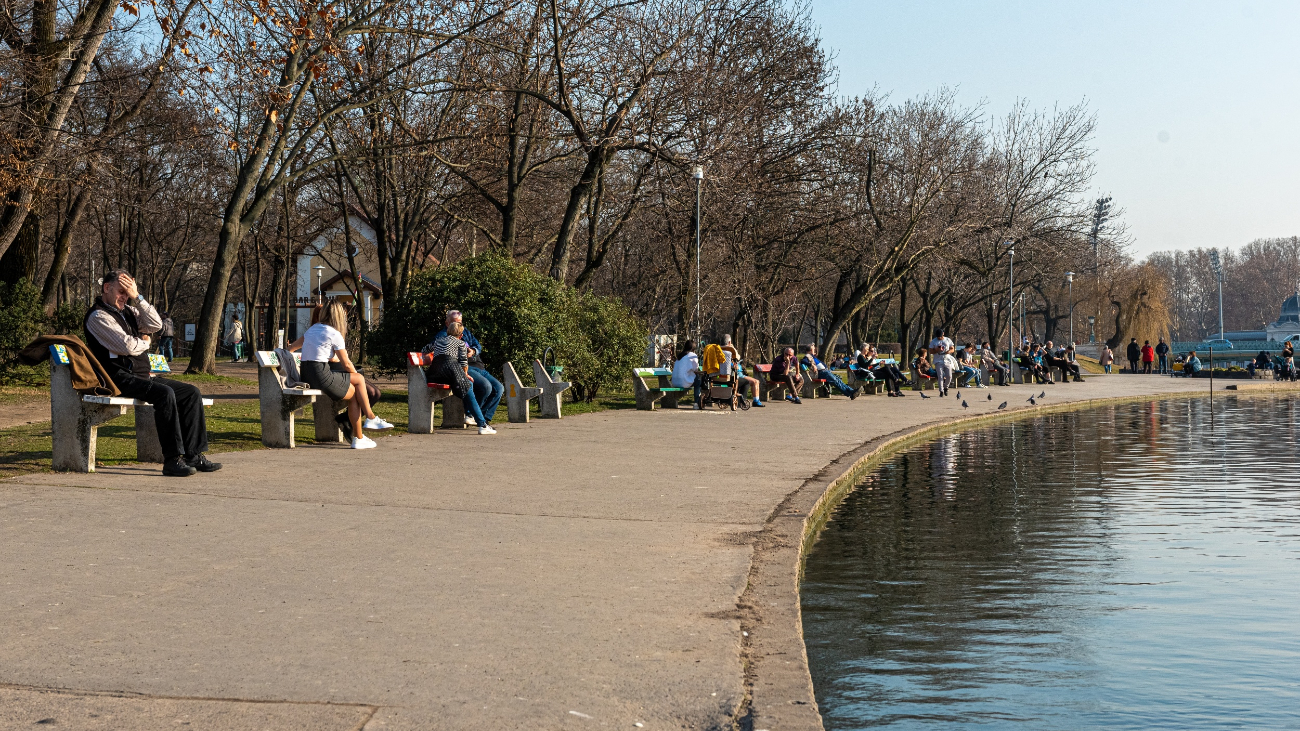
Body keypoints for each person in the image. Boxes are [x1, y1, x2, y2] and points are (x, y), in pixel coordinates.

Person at [84, 270, 220, 477]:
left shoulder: (128, 311)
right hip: (116, 379)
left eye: (127, 293)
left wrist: (138, 297)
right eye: (121, 291)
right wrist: (145, 342)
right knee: (164, 394)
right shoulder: (98, 316)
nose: (124, 297)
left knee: (191, 392)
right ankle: (172, 460)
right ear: (106, 288)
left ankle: (193, 455)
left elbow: (156, 325)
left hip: (141, 376)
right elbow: (126, 346)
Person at [301, 299, 394, 448]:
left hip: (307, 375)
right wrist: (354, 375)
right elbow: (347, 363)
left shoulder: (312, 329)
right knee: (358, 379)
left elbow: (299, 348)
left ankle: (359, 437)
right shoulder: (334, 333)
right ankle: (370, 418)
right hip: (321, 375)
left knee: (355, 394)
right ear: (339, 316)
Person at [433, 310, 504, 425]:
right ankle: (471, 415)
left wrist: (473, 350)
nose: (459, 326)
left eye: (460, 322)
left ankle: (483, 418)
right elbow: (441, 352)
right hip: (465, 367)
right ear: (447, 323)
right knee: (486, 387)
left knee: (499, 388)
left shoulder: (466, 332)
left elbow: (478, 345)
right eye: (455, 323)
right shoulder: (443, 335)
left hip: (478, 366)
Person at [719, 335, 763, 406]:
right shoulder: (729, 352)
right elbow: (737, 358)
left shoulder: (717, 350)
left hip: (720, 375)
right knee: (751, 382)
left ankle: (756, 400)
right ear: (730, 342)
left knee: (756, 381)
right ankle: (746, 401)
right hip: (733, 375)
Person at [672, 340, 703, 408]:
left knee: (695, 378)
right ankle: (696, 403)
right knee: (698, 380)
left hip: (674, 382)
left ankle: (697, 402)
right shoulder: (693, 356)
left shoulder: (679, 356)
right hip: (683, 382)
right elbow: (696, 370)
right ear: (693, 349)